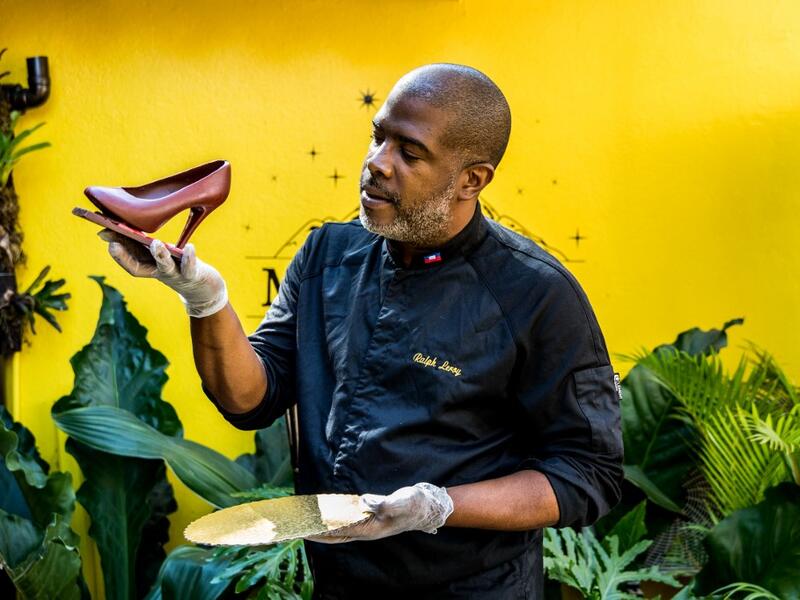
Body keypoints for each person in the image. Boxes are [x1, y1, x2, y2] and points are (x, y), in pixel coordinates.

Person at [100, 63, 623, 599]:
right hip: (340, 585)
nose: (377, 163)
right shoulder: (328, 255)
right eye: (378, 138)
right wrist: (204, 298)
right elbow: (249, 398)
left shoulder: (537, 294)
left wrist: (437, 506)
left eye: (409, 153)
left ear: (472, 179)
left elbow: (588, 473)